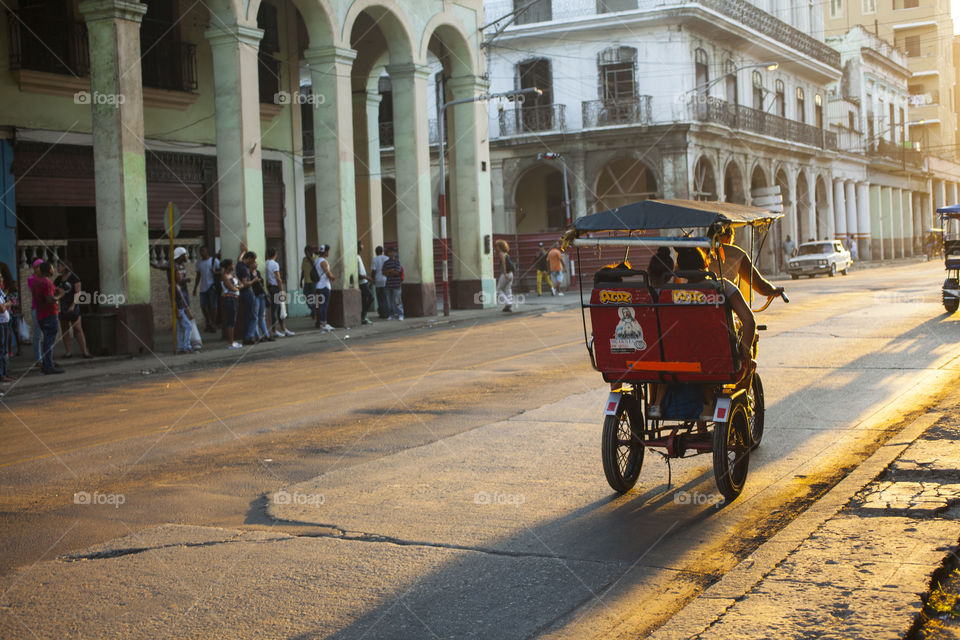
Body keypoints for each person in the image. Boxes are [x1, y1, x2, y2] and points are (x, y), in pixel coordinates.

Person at [709, 225, 783, 303]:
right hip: (725, 304)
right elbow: (760, 285)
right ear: (730, 238)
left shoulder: (699, 251)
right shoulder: (737, 253)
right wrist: (773, 290)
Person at [31, 262, 65, 374]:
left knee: (47, 340)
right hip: (49, 314)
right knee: (49, 341)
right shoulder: (45, 282)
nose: (53, 269)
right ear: (48, 270)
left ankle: (46, 364)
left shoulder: (36, 281)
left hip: (41, 314)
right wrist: (60, 295)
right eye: (52, 267)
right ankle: (48, 365)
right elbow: (50, 300)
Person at [53, 261, 91, 359]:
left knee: (77, 328)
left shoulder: (74, 278)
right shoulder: (58, 280)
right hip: (62, 306)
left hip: (73, 305)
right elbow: (54, 291)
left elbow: (78, 293)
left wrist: (73, 305)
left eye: (59, 266)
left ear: (65, 267)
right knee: (65, 329)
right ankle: (68, 352)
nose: (57, 268)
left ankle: (84, 351)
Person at [265, 247, 294, 338]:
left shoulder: (266, 263)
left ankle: (281, 329)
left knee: (275, 310)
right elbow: (278, 278)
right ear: (275, 254)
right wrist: (281, 291)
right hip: (276, 288)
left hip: (270, 287)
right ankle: (277, 330)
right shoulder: (275, 264)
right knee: (278, 309)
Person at [235, 249, 260, 345]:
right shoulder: (245, 269)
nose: (254, 262)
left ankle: (246, 335)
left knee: (246, 315)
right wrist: (254, 280)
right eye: (253, 260)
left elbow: (239, 259)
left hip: (242, 294)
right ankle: (249, 336)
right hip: (248, 292)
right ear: (249, 259)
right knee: (253, 316)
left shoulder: (239, 265)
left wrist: (242, 251)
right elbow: (245, 283)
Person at [193, 246, 220, 333]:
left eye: (203, 251)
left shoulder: (214, 261)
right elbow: (198, 275)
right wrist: (195, 287)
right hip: (203, 287)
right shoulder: (199, 263)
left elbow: (221, 271)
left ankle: (213, 323)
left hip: (212, 286)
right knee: (203, 306)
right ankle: (208, 321)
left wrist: (215, 273)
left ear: (207, 251)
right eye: (200, 251)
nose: (202, 253)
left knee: (213, 306)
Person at [0, 262, 20, 358]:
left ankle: (8, 353)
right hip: (8, 312)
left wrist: (5, 304)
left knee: (8, 332)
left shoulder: (7, 286)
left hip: (8, 312)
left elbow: (12, 301)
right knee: (10, 331)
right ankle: (8, 353)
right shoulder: (8, 285)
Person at [220, 259, 242, 349]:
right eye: (232, 264)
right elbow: (231, 288)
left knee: (233, 320)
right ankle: (231, 342)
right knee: (230, 320)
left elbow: (241, 284)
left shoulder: (233, 275)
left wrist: (236, 287)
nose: (233, 266)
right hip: (229, 299)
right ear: (228, 266)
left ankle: (232, 341)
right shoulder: (224, 276)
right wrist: (237, 288)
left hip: (235, 299)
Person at [313, 244, 335, 331]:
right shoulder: (324, 262)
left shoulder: (316, 261)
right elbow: (327, 273)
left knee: (319, 305)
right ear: (325, 252)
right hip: (324, 287)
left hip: (318, 286)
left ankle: (320, 322)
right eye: (328, 251)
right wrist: (333, 277)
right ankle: (324, 324)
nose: (329, 252)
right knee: (324, 306)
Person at [27, 258, 43, 365]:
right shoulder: (32, 279)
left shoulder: (43, 278)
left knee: (45, 334)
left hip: (43, 308)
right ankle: (39, 358)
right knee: (37, 335)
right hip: (36, 308)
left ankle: (45, 358)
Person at [251, 261, 272, 342]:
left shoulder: (258, 272)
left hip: (262, 295)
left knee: (262, 316)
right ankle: (257, 336)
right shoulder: (249, 273)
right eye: (254, 263)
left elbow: (262, 283)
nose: (256, 264)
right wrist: (254, 280)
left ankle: (266, 334)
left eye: (256, 263)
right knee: (255, 316)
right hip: (255, 296)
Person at [382, 247, 404, 320]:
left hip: (396, 284)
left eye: (392, 252)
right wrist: (391, 271)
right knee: (389, 302)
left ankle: (400, 315)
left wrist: (389, 272)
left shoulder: (397, 262)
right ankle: (391, 315)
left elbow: (397, 272)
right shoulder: (386, 263)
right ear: (387, 253)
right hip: (388, 284)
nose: (390, 253)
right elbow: (383, 272)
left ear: (394, 253)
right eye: (389, 252)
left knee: (397, 301)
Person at [495, 239, 516, 313]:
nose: (496, 247)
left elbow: (504, 263)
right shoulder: (506, 253)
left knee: (499, 290)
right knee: (508, 289)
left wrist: (505, 273)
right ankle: (508, 307)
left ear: (500, 247)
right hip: (511, 274)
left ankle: (508, 303)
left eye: (497, 246)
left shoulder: (501, 253)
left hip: (505, 274)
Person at [357, 240, 374, 325]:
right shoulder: (356, 257)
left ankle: (363, 317)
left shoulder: (359, 256)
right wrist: (367, 278)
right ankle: (363, 316)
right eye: (361, 245)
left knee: (364, 300)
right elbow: (358, 274)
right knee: (371, 297)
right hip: (362, 282)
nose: (363, 246)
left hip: (364, 281)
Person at [371, 245, 390, 319]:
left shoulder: (374, 260)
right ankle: (387, 313)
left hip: (378, 280)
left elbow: (374, 271)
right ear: (382, 251)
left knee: (380, 298)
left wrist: (372, 279)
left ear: (376, 252)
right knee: (386, 297)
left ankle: (382, 313)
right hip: (386, 280)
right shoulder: (387, 258)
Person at [0, 267, 12, 382]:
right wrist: (6, 304)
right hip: (1, 323)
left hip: (4, 322)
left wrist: (6, 304)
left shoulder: (1, 291)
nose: (2, 280)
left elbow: (9, 301)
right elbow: (2, 309)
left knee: (4, 349)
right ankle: (1, 374)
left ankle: (5, 372)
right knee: (1, 350)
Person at [300, 245, 317, 319]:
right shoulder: (304, 259)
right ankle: (313, 310)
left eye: (307, 252)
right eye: (305, 252)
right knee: (306, 296)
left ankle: (314, 312)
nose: (305, 253)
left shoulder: (315, 257)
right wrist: (301, 280)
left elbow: (315, 265)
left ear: (311, 251)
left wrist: (310, 258)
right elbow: (303, 271)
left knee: (313, 298)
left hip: (313, 282)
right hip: (307, 281)